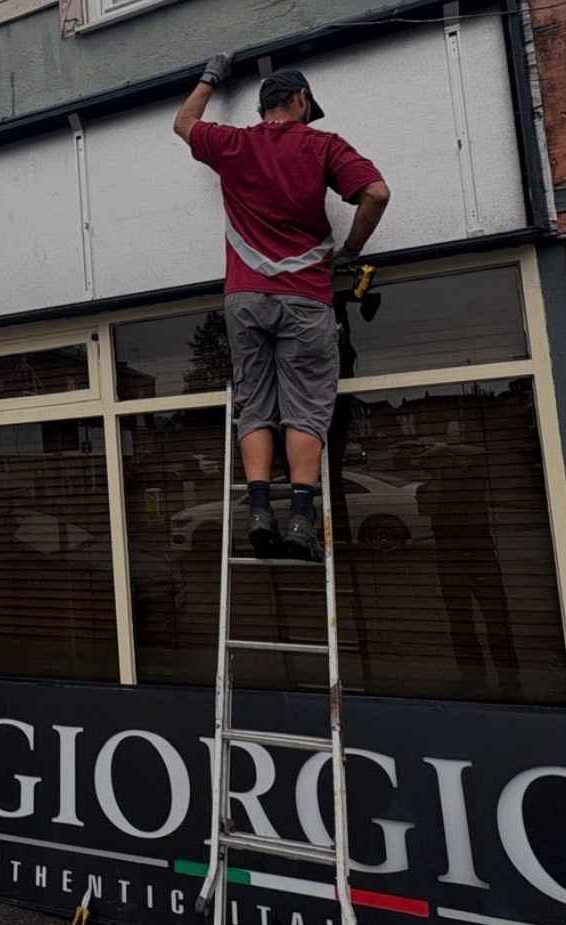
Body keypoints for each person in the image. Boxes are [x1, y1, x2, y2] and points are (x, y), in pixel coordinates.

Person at [174, 53, 391, 561]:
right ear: (300, 100)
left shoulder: (233, 144)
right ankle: (299, 519)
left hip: (245, 297)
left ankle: (256, 512)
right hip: (305, 296)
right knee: (306, 409)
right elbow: (376, 195)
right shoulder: (323, 146)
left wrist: (210, 75)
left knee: (253, 403)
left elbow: (184, 123)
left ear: (265, 105)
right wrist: (352, 249)